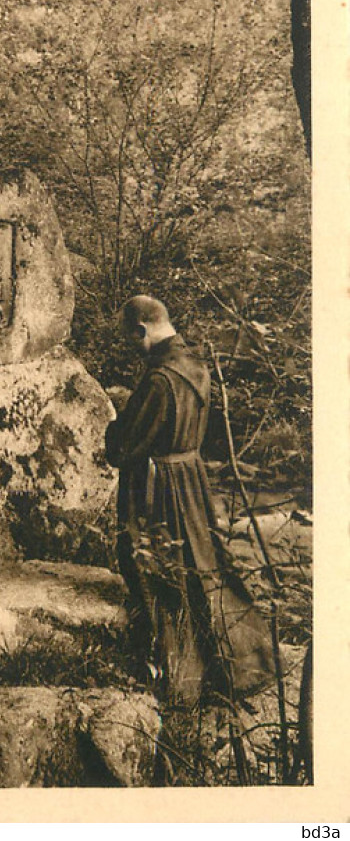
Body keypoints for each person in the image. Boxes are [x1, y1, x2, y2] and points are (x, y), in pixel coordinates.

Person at [105, 295, 275, 707]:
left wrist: (115, 419)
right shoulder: (197, 365)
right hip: (192, 479)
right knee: (205, 563)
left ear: (142, 330)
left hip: (161, 487)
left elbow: (123, 449)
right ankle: (244, 664)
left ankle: (187, 682)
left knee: (166, 575)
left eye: (132, 338)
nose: (132, 347)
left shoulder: (160, 379)